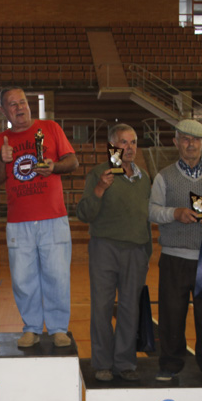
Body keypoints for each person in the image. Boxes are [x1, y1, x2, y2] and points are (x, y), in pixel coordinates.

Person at [0, 87, 79, 348]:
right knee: (23, 278)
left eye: (23, 102)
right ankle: (31, 327)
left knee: (57, 275)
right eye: (12, 104)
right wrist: (2, 161)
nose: (19, 108)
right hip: (19, 221)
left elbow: (72, 162)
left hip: (54, 217)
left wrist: (53, 167)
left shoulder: (50, 128)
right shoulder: (0, 140)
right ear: (4, 111)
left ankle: (59, 327)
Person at [148, 118, 202, 381]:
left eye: (196, 139)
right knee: (171, 313)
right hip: (174, 256)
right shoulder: (164, 176)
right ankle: (170, 363)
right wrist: (175, 213)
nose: (191, 144)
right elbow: (152, 211)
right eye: (185, 139)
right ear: (176, 142)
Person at [76, 124, 151, 382]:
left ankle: (125, 363)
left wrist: (146, 250)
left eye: (132, 142)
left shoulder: (145, 178)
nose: (128, 147)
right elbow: (84, 213)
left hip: (136, 250)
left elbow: (145, 217)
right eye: (123, 142)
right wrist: (99, 189)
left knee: (130, 309)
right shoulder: (99, 173)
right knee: (102, 308)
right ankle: (102, 363)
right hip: (104, 248)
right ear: (111, 146)